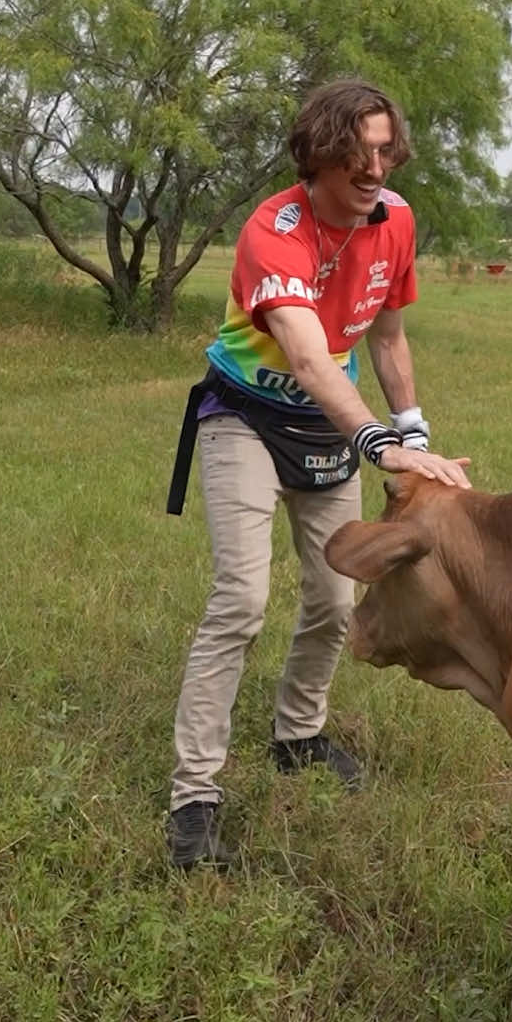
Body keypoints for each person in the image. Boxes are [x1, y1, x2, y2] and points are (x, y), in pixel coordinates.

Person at [164, 78, 471, 869]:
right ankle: (194, 794)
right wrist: (374, 439)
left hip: (326, 429)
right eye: (357, 152)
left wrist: (412, 431)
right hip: (247, 417)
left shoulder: (395, 219)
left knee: (336, 599)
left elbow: (389, 336)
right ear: (319, 154)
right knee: (240, 599)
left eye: (384, 149)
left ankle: (296, 735)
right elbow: (303, 353)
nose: (375, 167)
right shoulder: (275, 229)